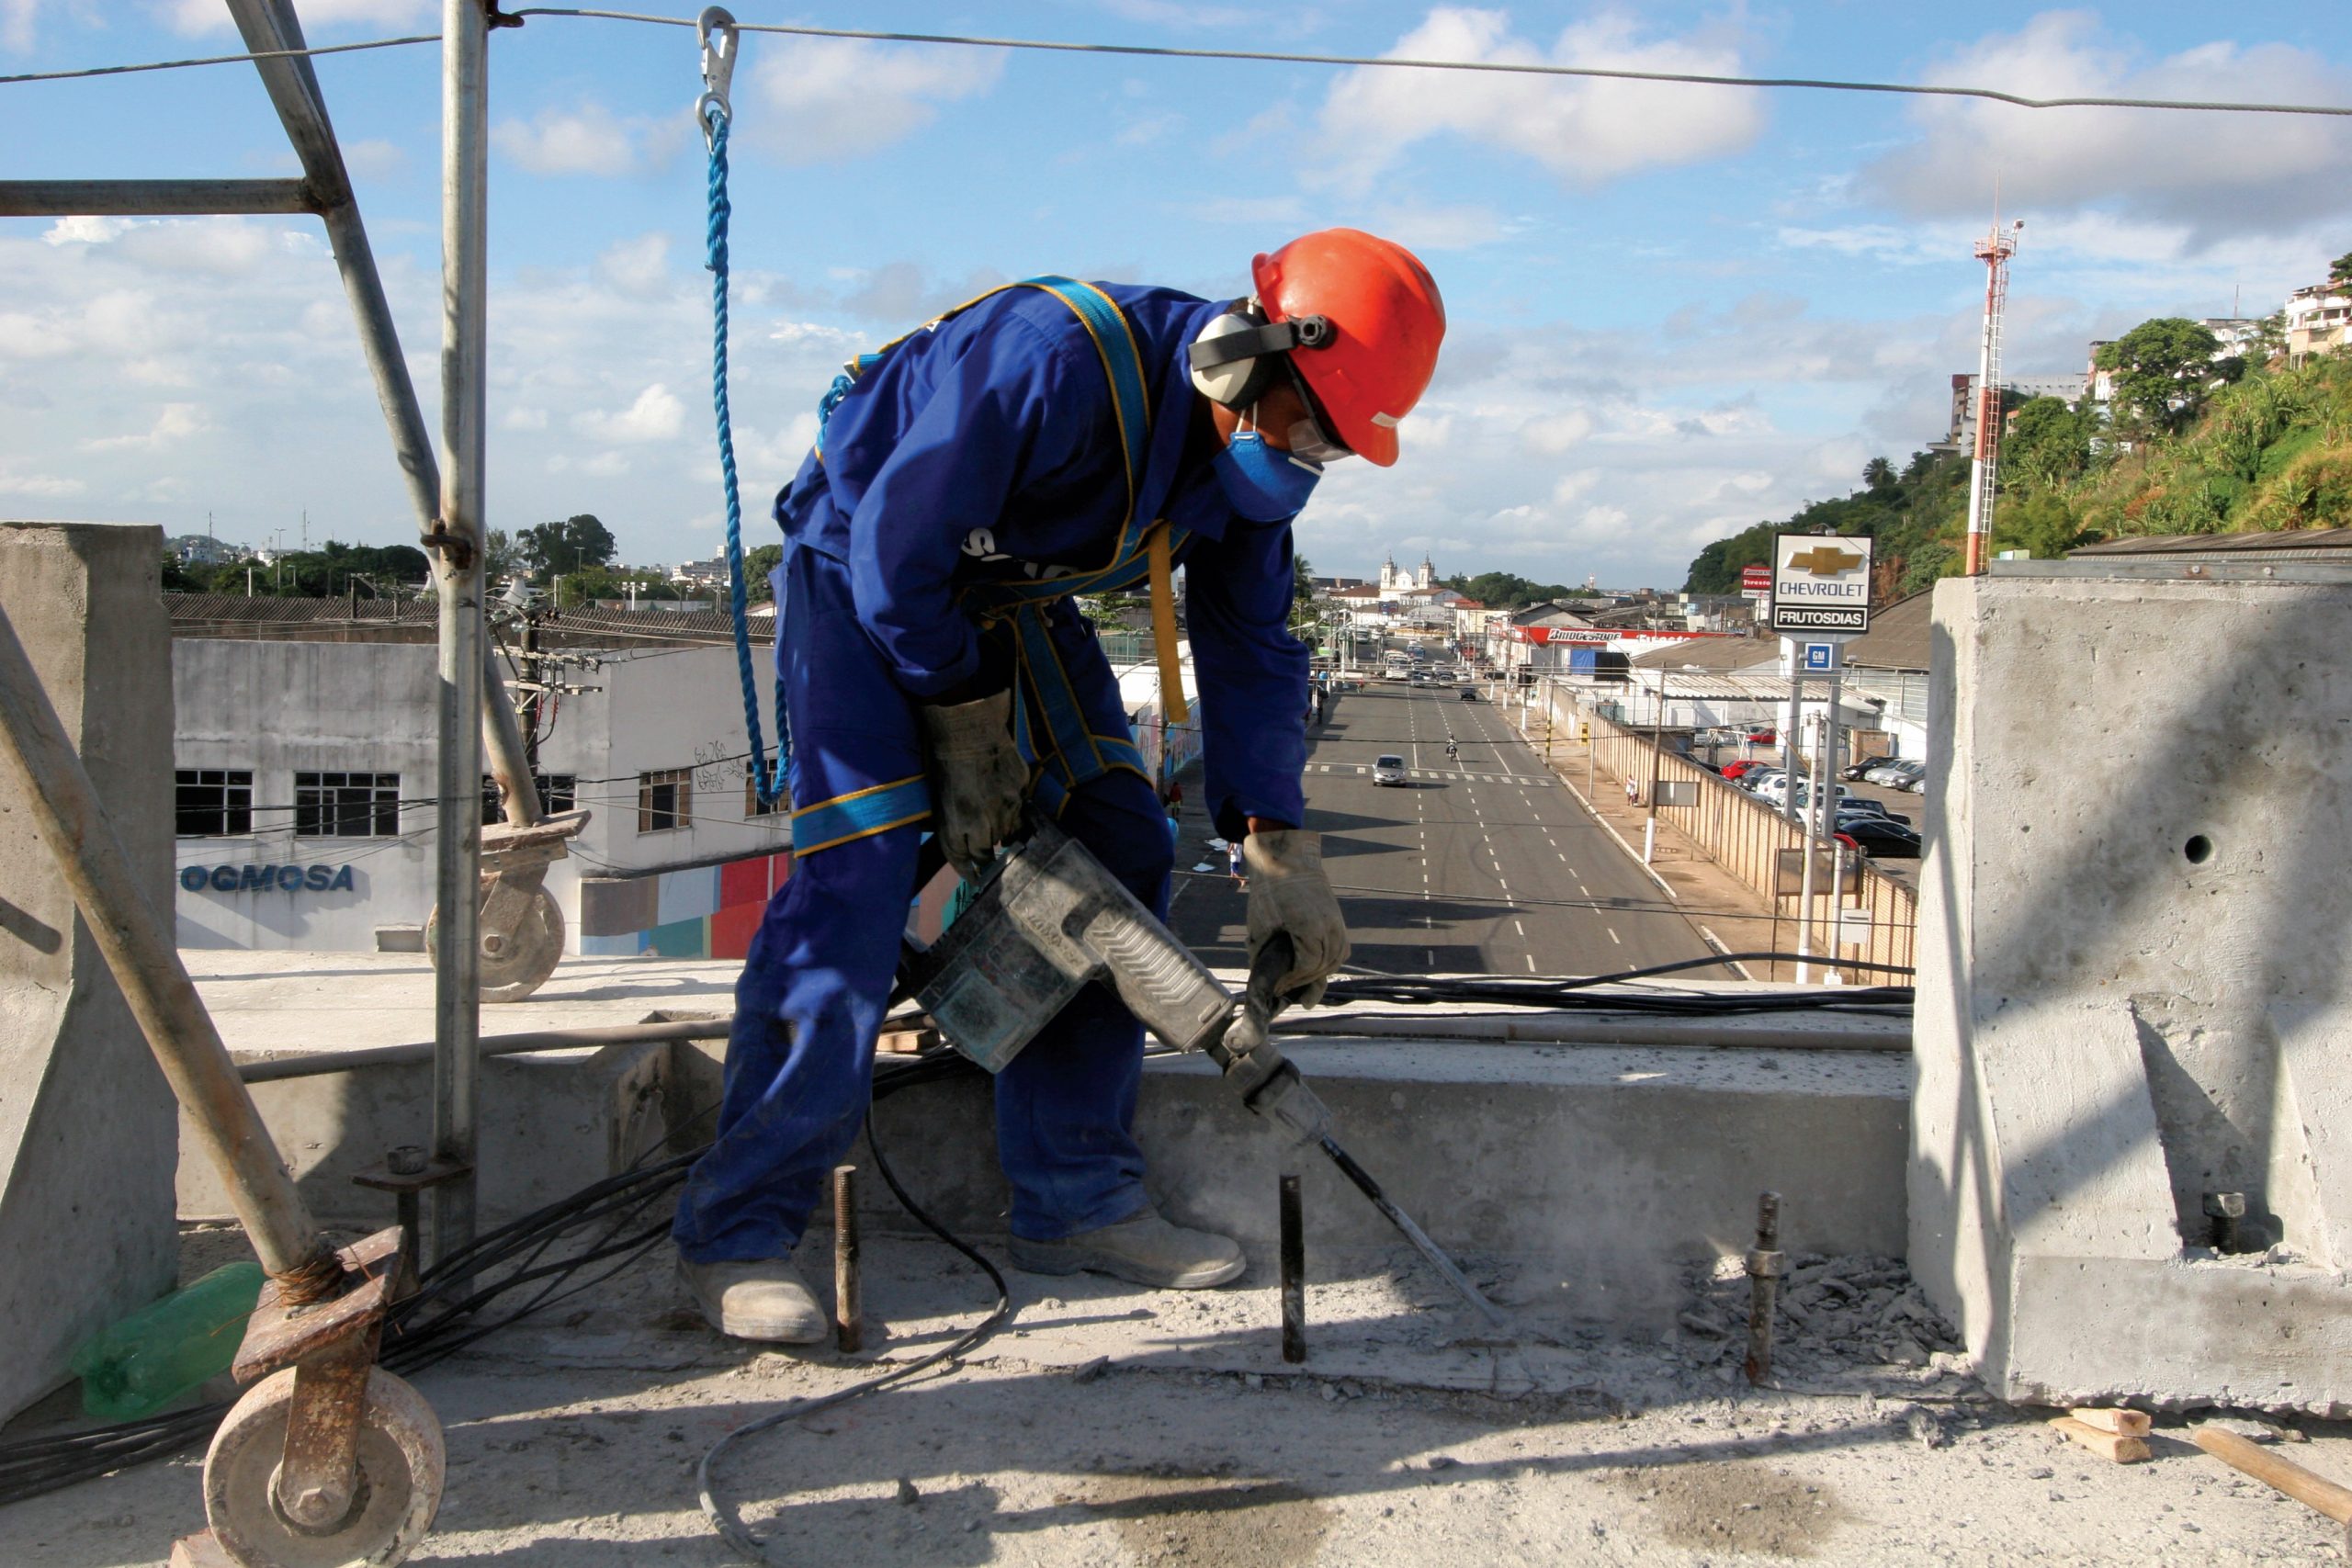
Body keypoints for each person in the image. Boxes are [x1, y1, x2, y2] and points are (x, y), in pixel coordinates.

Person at [672, 230, 1446, 1340]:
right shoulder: (1054, 360)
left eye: (1330, 446)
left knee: (1118, 845)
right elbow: (897, 547)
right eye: (1309, 425)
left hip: (1006, 605)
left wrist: (1276, 839)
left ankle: (1076, 1200)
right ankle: (740, 1230)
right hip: (861, 574)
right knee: (860, 874)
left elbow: (1252, 646)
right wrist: (961, 720)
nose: (1306, 456)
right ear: (1245, 356)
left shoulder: (1239, 473)